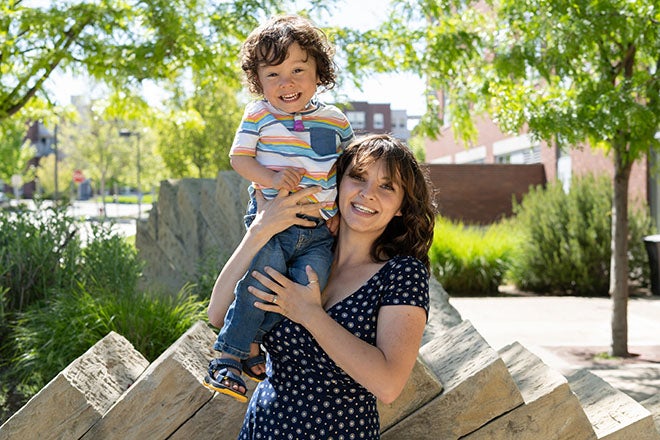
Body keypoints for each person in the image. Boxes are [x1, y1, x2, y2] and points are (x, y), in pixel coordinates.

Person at [207, 134, 436, 439]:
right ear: (337, 184)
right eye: (358, 177)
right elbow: (219, 314)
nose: (367, 194)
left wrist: (310, 314)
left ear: (401, 208)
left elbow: (388, 385)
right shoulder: (300, 254)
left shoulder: (402, 273)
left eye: (386, 187)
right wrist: (260, 231)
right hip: (260, 430)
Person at [203, 14, 354, 402]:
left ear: (318, 71)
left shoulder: (335, 120)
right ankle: (227, 357)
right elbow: (240, 159)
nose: (286, 83)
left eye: (297, 70)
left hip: (319, 230)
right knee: (261, 281)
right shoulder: (258, 115)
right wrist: (270, 180)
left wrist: (338, 211)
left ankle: (253, 340)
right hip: (273, 221)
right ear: (259, 81)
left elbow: (349, 168)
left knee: (306, 293)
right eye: (273, 75)